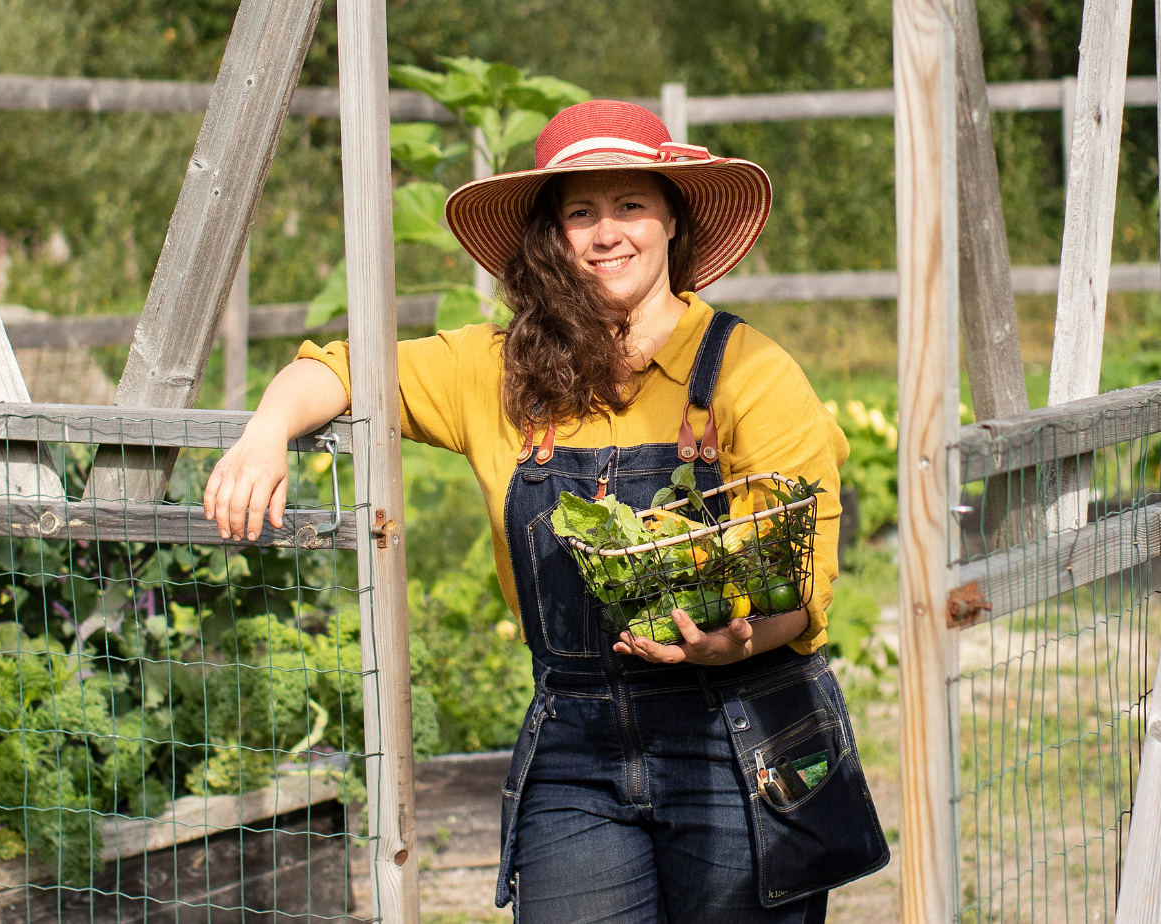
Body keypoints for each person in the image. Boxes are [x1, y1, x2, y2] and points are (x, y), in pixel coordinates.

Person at [202, 100, 887, 923]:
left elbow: (800, 583)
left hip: (735, 731)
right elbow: (343, 368)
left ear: (672, 218)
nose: (608, 233)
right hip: (577, 743)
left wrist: (735, 638)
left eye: (630, 204)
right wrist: (266, 431)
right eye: (579, 212)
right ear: (548, 238)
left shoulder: (751, 373)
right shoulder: (497, 370)